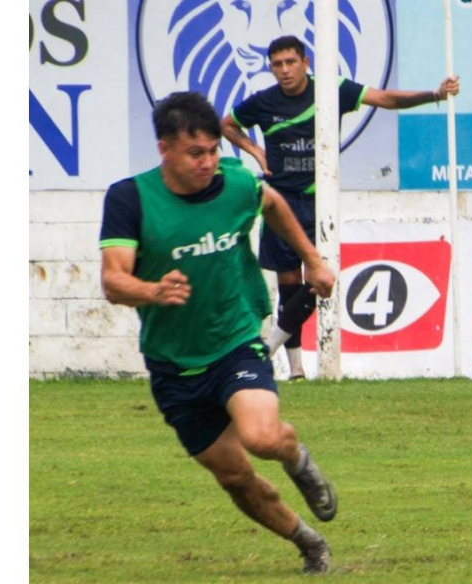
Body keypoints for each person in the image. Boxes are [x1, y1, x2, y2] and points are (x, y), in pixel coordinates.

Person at [99, 91, 340, 576]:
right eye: (196, 153)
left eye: (213, 150)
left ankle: (297, 457)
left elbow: (271, 202)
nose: (209, 162)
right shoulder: (130, 198)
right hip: (173, 367)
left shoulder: (234, 184)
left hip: (234, 341)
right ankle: (308, 542)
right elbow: (112, 280)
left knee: (262, 436)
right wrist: (151, 290)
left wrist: (312, 259)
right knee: (236, 478)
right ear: (164, 149)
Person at [221, 35, 461, 380]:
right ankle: (297, 370)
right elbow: (226, 124)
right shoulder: (263, 102)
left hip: (321, 202)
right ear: (271, 68)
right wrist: (255, 151)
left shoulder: (332, 89)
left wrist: (434, 94)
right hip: (280, 202)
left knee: (319, 279)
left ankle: (268, 348)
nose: (285, 70)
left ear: (306, 63)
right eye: (277, 64)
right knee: (288, 284)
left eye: (291, 62)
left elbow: (386, 99)